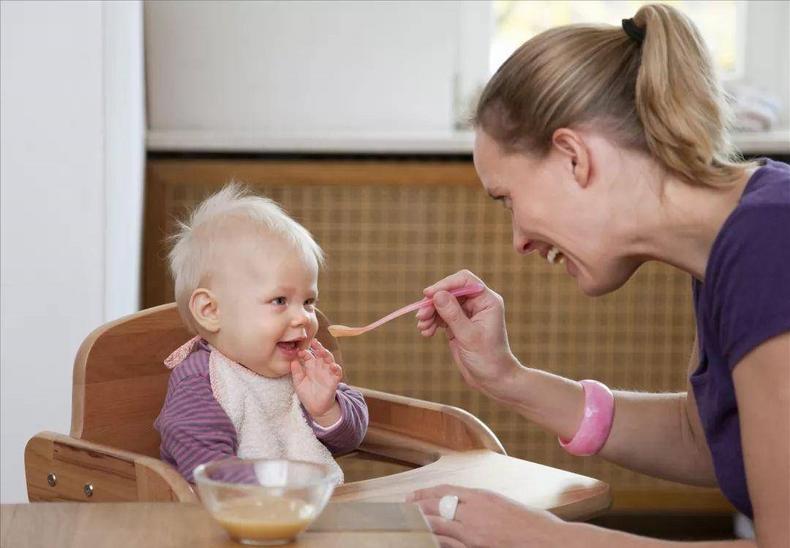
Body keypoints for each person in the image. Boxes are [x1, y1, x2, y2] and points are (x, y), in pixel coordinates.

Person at [409, 4, 789, 547]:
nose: (518, 240)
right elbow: (707, 437)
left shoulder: (769, 246)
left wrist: (544, 539)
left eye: (508, 200)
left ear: (572, 157)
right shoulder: (736, 240)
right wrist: (508, 379)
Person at [154, 184, 368, 483]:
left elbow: (349, 440)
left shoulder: (302, 367)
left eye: (308, 302)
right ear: (211, 311)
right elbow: (207, 471)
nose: (303, 318)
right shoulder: (203, 384)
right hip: (223, 521)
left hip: (306, 512)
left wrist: (326, 410)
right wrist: (277, 491)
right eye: (280, 301)